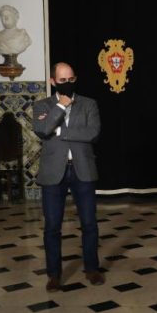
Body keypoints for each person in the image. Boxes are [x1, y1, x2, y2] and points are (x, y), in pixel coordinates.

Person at [33, 62, 104, 291]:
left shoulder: (89, 104)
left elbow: (92, 133)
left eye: (71, 79)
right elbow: (43, 130)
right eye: (62, 80)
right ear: (53, 81)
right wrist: (61, 106)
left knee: (89, 223)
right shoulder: (42, 105)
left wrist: (60, 131)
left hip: (83, 169)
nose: (67, 84)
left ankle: (92, 269)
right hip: (54, 172)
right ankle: (54, 275)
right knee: (52, 226)